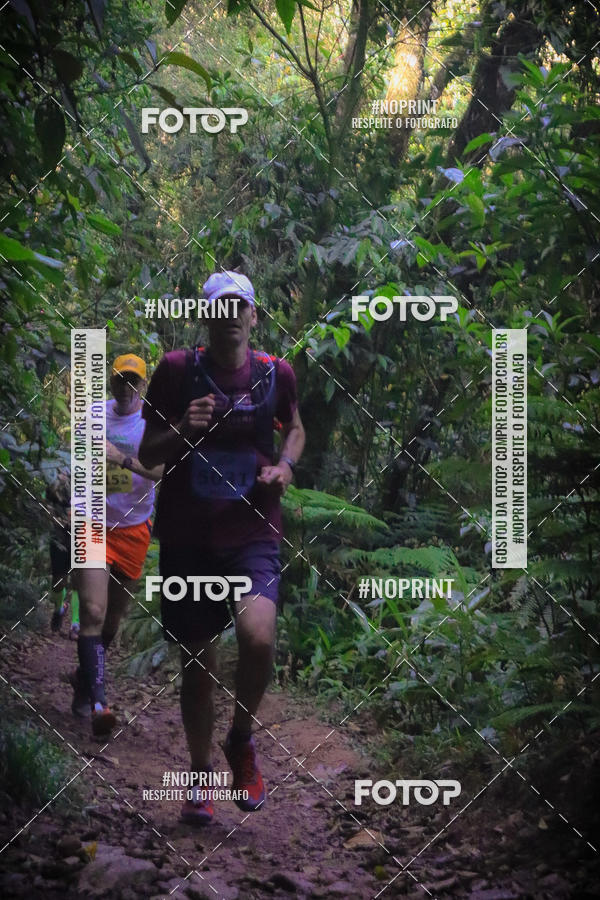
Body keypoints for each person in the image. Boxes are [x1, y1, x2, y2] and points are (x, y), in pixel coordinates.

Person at [138, 271, 305, 825]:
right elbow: (147, 451)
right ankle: (199, 779)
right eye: (221, 305)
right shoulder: (177, 370)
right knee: (197, 663)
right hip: (189, 537)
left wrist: (285, 465)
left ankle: (240, 740)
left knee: (258, 637)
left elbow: (296, 429)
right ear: (207, 315)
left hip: (253, 531)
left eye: (242, 306)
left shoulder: (274, 374)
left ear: (254, 316)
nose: (232, 314)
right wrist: (184, 427)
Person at [71, 354, 163, 736]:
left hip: (133, 528)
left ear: (143, 386)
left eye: (132, 381)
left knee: (110, 624)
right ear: (111, 383)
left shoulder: (153, 423)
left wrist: (122, 458)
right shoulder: (93, 414)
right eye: (118, 380)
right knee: (92, 611)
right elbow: (79, 464)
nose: (124, 387)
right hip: (92, 520)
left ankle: (83, 680)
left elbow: (162, 471)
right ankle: (98, 704)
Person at [47, 467, 80, 639]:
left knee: (78, 580)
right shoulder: (60, 475)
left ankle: (76, 624)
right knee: (58, 581)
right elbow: (48, 501)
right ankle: (59, 609)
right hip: (60, 537)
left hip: (82, 536)